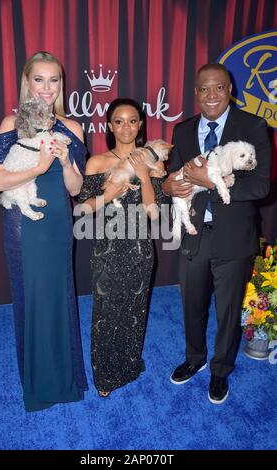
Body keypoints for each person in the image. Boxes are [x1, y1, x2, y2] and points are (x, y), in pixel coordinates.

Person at [163, 63, 271, 404]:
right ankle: (195, 359)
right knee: (191, 303)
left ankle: (220, 369)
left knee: (227, 312)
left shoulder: (253, 126)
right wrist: (167, 185)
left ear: (231, 92)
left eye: (219, 88)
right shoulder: (182, 130)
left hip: (234, 236)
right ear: (195, 93)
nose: (211, 95)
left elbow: (261, 185)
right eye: (204, 89)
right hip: (194, 232)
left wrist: (209, 182)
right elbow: (175, 176)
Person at [0, 51, 88, 411]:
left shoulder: (72, 128)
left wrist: (63, 161)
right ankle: (38, 383)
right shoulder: (10, 123)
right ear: (27, 82)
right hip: (23, 224)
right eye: (39, 80)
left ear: (61, 85)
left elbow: (76, 189)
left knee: (60, 295)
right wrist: (40, 165)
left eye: (54, 80)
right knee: (32, 297)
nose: (46, 88)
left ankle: (65, 378)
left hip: (59, 222)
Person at [77, 98, 165, 397]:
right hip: (107, 249)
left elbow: (156, 212)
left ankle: (127, 366)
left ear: (140, 125)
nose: (125, 126)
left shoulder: (154, 161)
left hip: (140, 248)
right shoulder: (96, 162)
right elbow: (83, 209)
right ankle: (104, 378)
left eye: (132, 120)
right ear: (109, 125)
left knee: (134, 311)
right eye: (118, 120)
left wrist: (143, 175)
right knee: (105, 314)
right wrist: (109, 192)